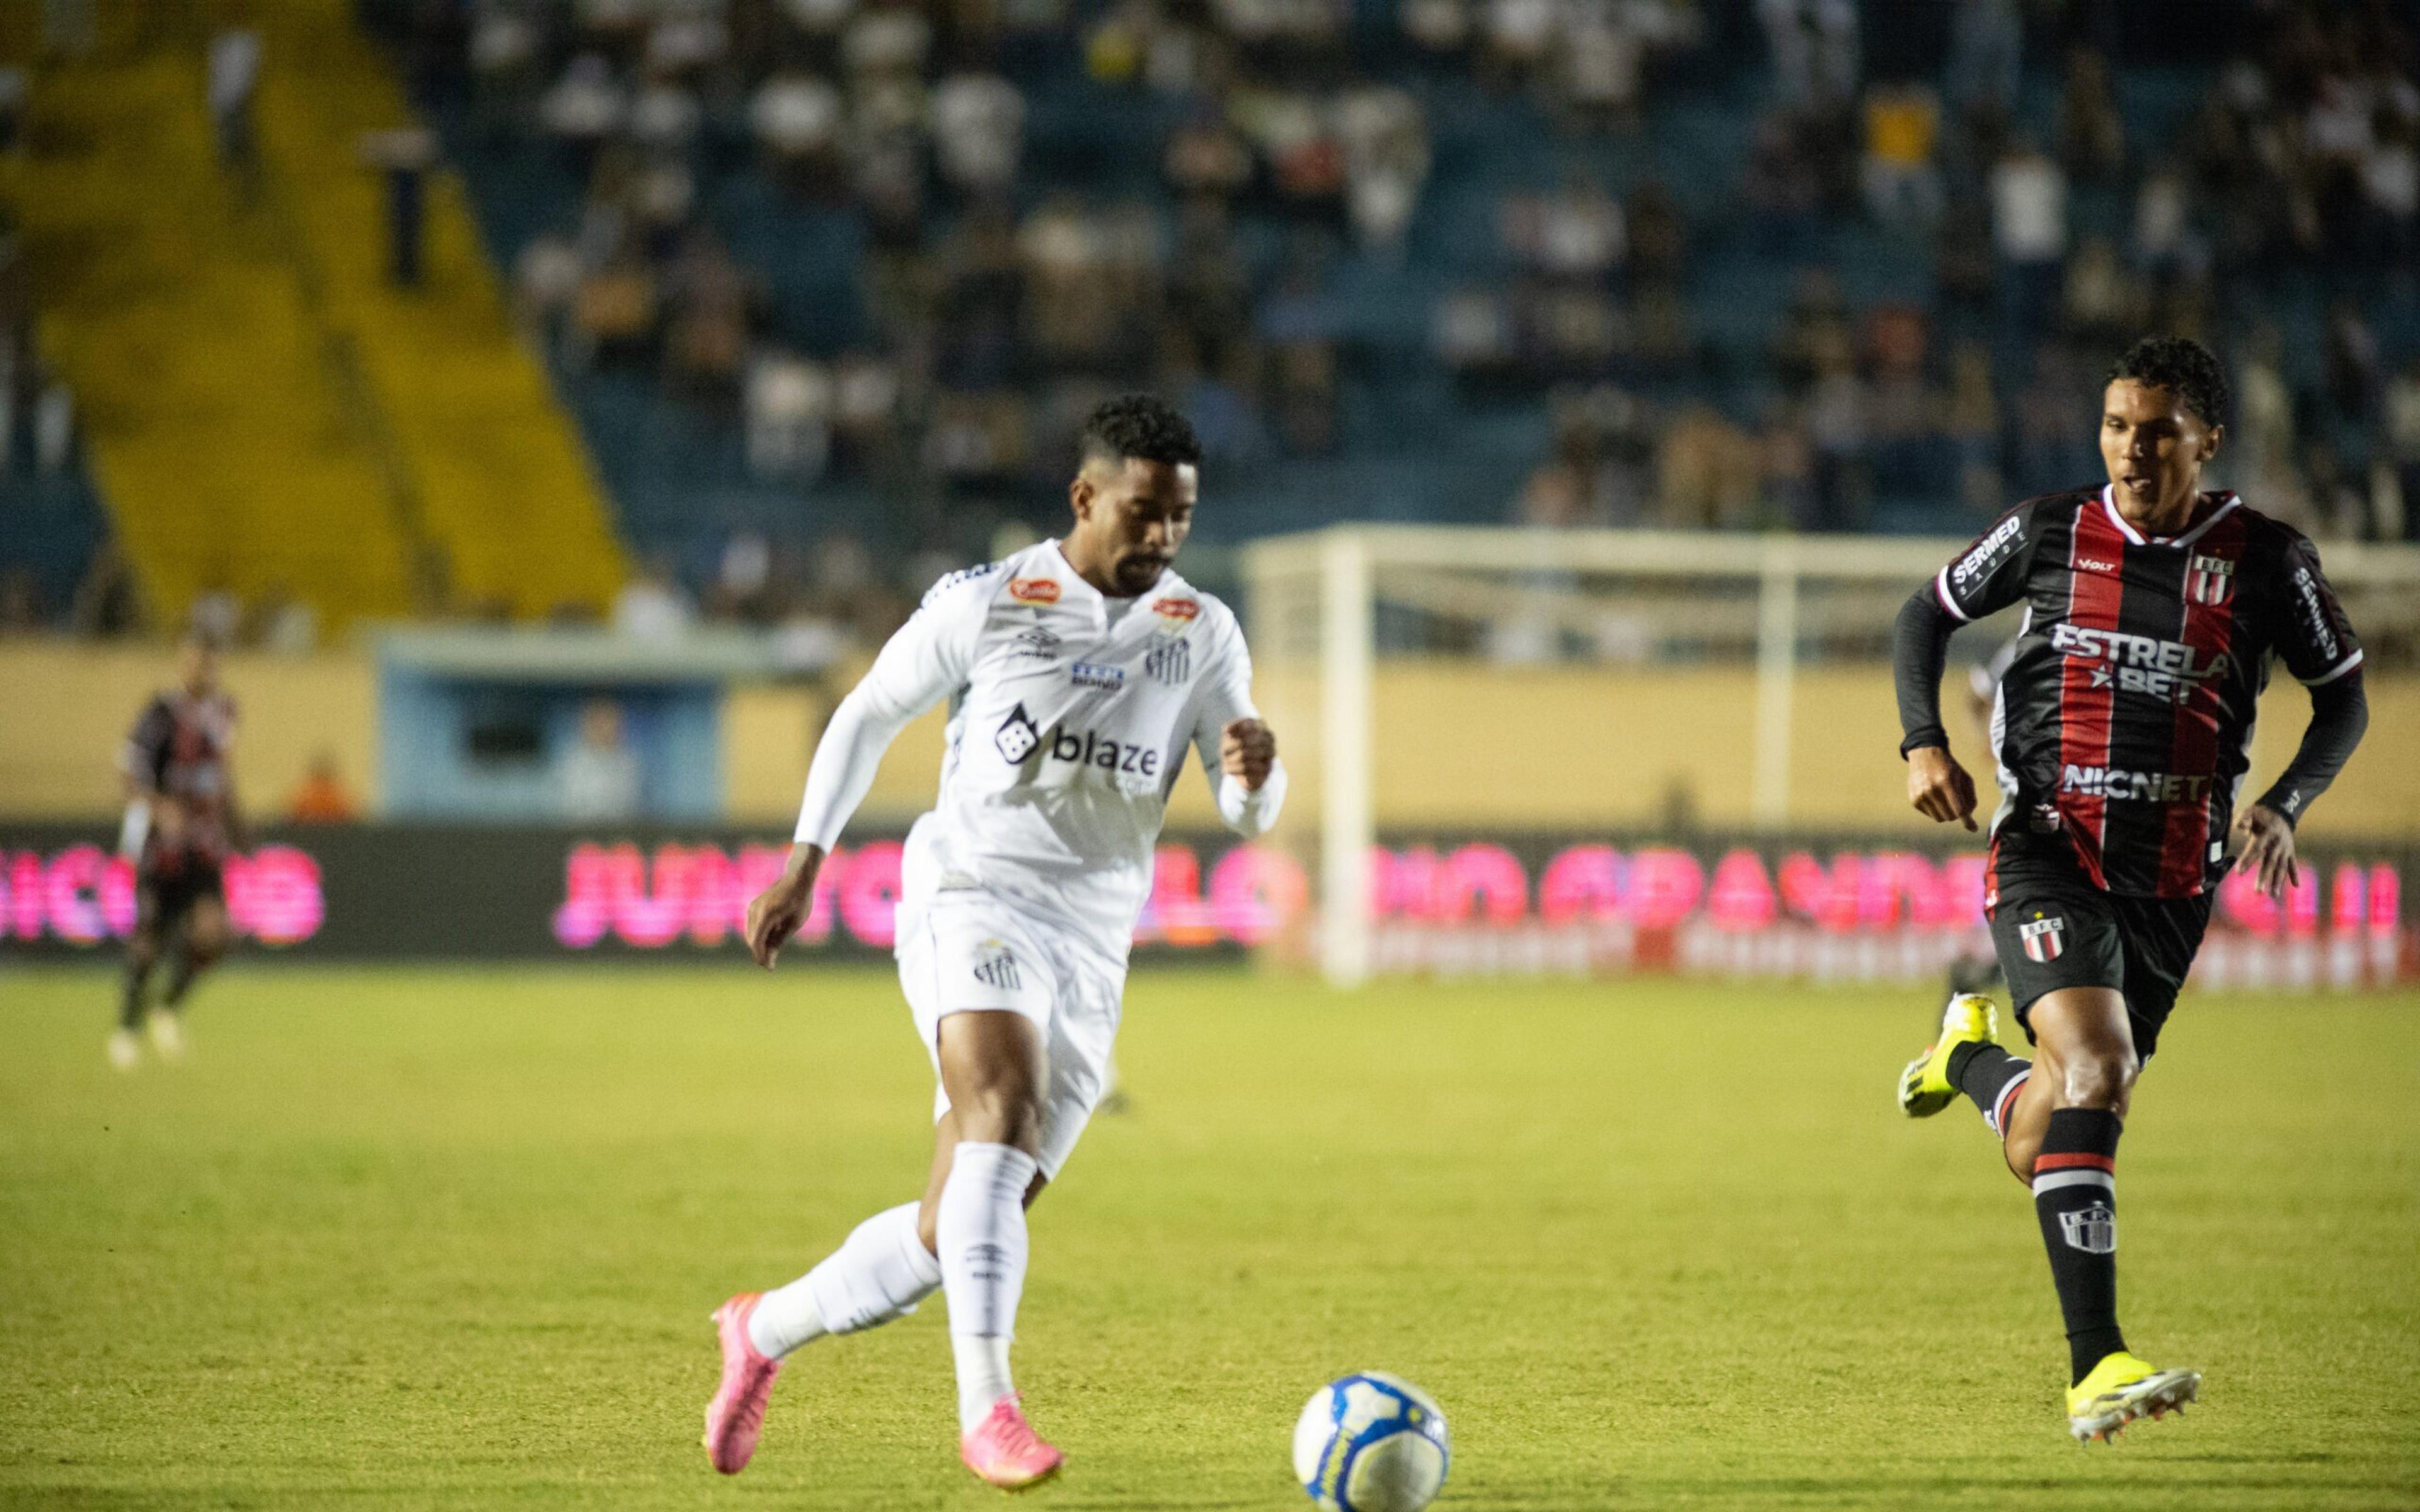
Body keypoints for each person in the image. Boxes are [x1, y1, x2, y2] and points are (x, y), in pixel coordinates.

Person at [705, 396, 1285, 1489]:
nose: (1162, 539)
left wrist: (1260, 778)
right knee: (1001, 1108)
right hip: (969, 892)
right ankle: (991, 1414)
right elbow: (869, 712)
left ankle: (762, 1329)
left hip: (1093, 943)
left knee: (957, 1225)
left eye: (1181, 520)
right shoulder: (991, 603)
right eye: (1145, 513)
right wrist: (803, 860)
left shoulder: (1200, 632)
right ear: (1086, 497)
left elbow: (1247, 800)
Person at [1890, 336, 2369, 1441]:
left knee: (2046, 1134)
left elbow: (2343, 699)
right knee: (2100, 1069)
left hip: (2171, 886)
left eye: (2155, 431)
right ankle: (2096, 1365)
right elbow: (1924, 614)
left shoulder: (2267, 560)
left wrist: (2284, 804)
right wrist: (1924, 744)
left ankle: (1965, 1055)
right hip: (2048, 851)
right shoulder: (2052, 528)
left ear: (2208, 437)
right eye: (2115, 426)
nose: (2130, 450)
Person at [112, 631, 245, 1069]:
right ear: (180, 664)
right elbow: (131, 771)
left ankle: (166, 1006)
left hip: (204, 846)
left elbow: (222, 778)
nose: (198, 670)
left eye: (205, 663)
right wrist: (158, 806)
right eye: (190, 662)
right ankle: (128, 1026)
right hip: (161, 848)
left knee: (215, 934)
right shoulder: (161, 713)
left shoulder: (223, 714)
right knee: (148, 943)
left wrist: (240, 827)